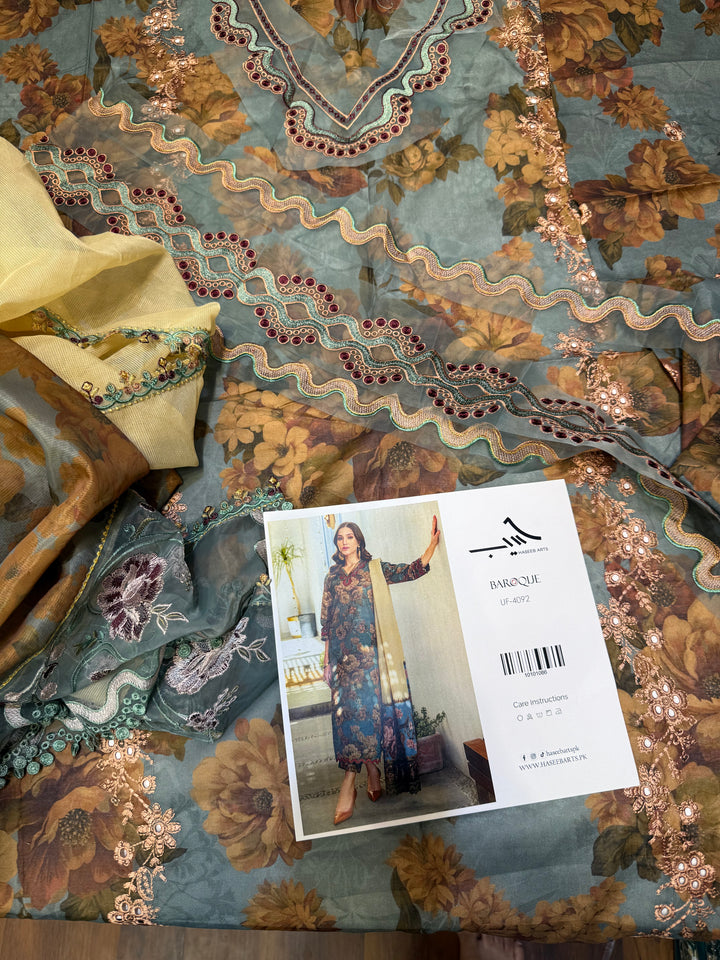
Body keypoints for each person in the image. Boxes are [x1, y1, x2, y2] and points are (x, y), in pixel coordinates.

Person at [320, 517, 441, 825]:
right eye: (340, 538)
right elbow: (327, 622)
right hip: (341, 659)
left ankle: (349, 784)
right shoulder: (332, 576)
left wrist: (431, 545)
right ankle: (372, 773)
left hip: (370, 660)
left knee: (367, 716)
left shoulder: (374, 569)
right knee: (345, 717)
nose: (344, 542)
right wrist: (326, 661)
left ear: (359, 541)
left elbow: (410, 571)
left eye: (349, 536)